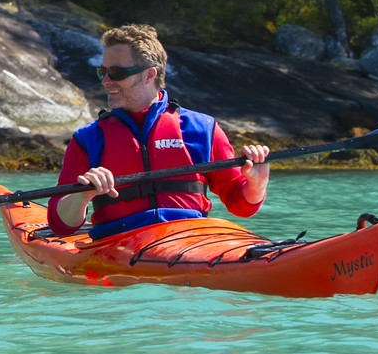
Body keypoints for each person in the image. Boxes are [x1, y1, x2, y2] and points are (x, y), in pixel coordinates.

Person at [47, 24, 270, 238]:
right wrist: (82, 196)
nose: (106, 81)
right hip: (119, 241)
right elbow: (61, 225)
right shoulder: (88, 139)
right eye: (102, 71)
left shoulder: (202, 129)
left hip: (189, 238)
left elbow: (241, 206)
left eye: (116, 73)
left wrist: (257, 183)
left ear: (149, 75)